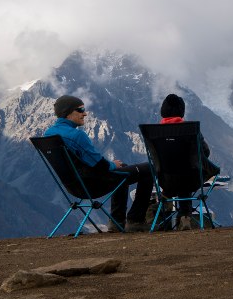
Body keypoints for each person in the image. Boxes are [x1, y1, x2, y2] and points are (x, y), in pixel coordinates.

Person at [44, 95, 153, 233]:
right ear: (68, 112)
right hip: (92, 185)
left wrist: (114, 165)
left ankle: (117, 222)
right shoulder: (76, 135)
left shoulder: (49, 133)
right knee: (149, 169)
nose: (85, 113)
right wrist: (113, 165)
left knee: (122, 169)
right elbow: (100, 165)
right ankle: (135, 220)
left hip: (72, 186)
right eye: (80, 109)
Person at [158, 93, 221, 230]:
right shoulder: (190, 130)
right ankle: (185, 216)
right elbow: (205, 152)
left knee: (178, 176)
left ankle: (167, 206)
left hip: (166, 180)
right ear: (182, 111)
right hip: (190, 179)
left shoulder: (154, 132)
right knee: (188, 174)